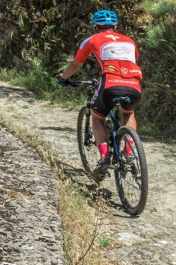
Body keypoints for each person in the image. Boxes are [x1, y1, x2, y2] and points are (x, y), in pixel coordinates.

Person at [56, 9, 143, 173]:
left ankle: (104, 158)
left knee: (97, 118)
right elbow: (129, 62)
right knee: (128, 114)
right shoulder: (130, 41)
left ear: (96, 26)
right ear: (115, 26)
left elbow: (76, 64)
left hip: (110, 82)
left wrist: (63, 79)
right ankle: (130, 151)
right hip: (134, 83)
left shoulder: (91, 40)